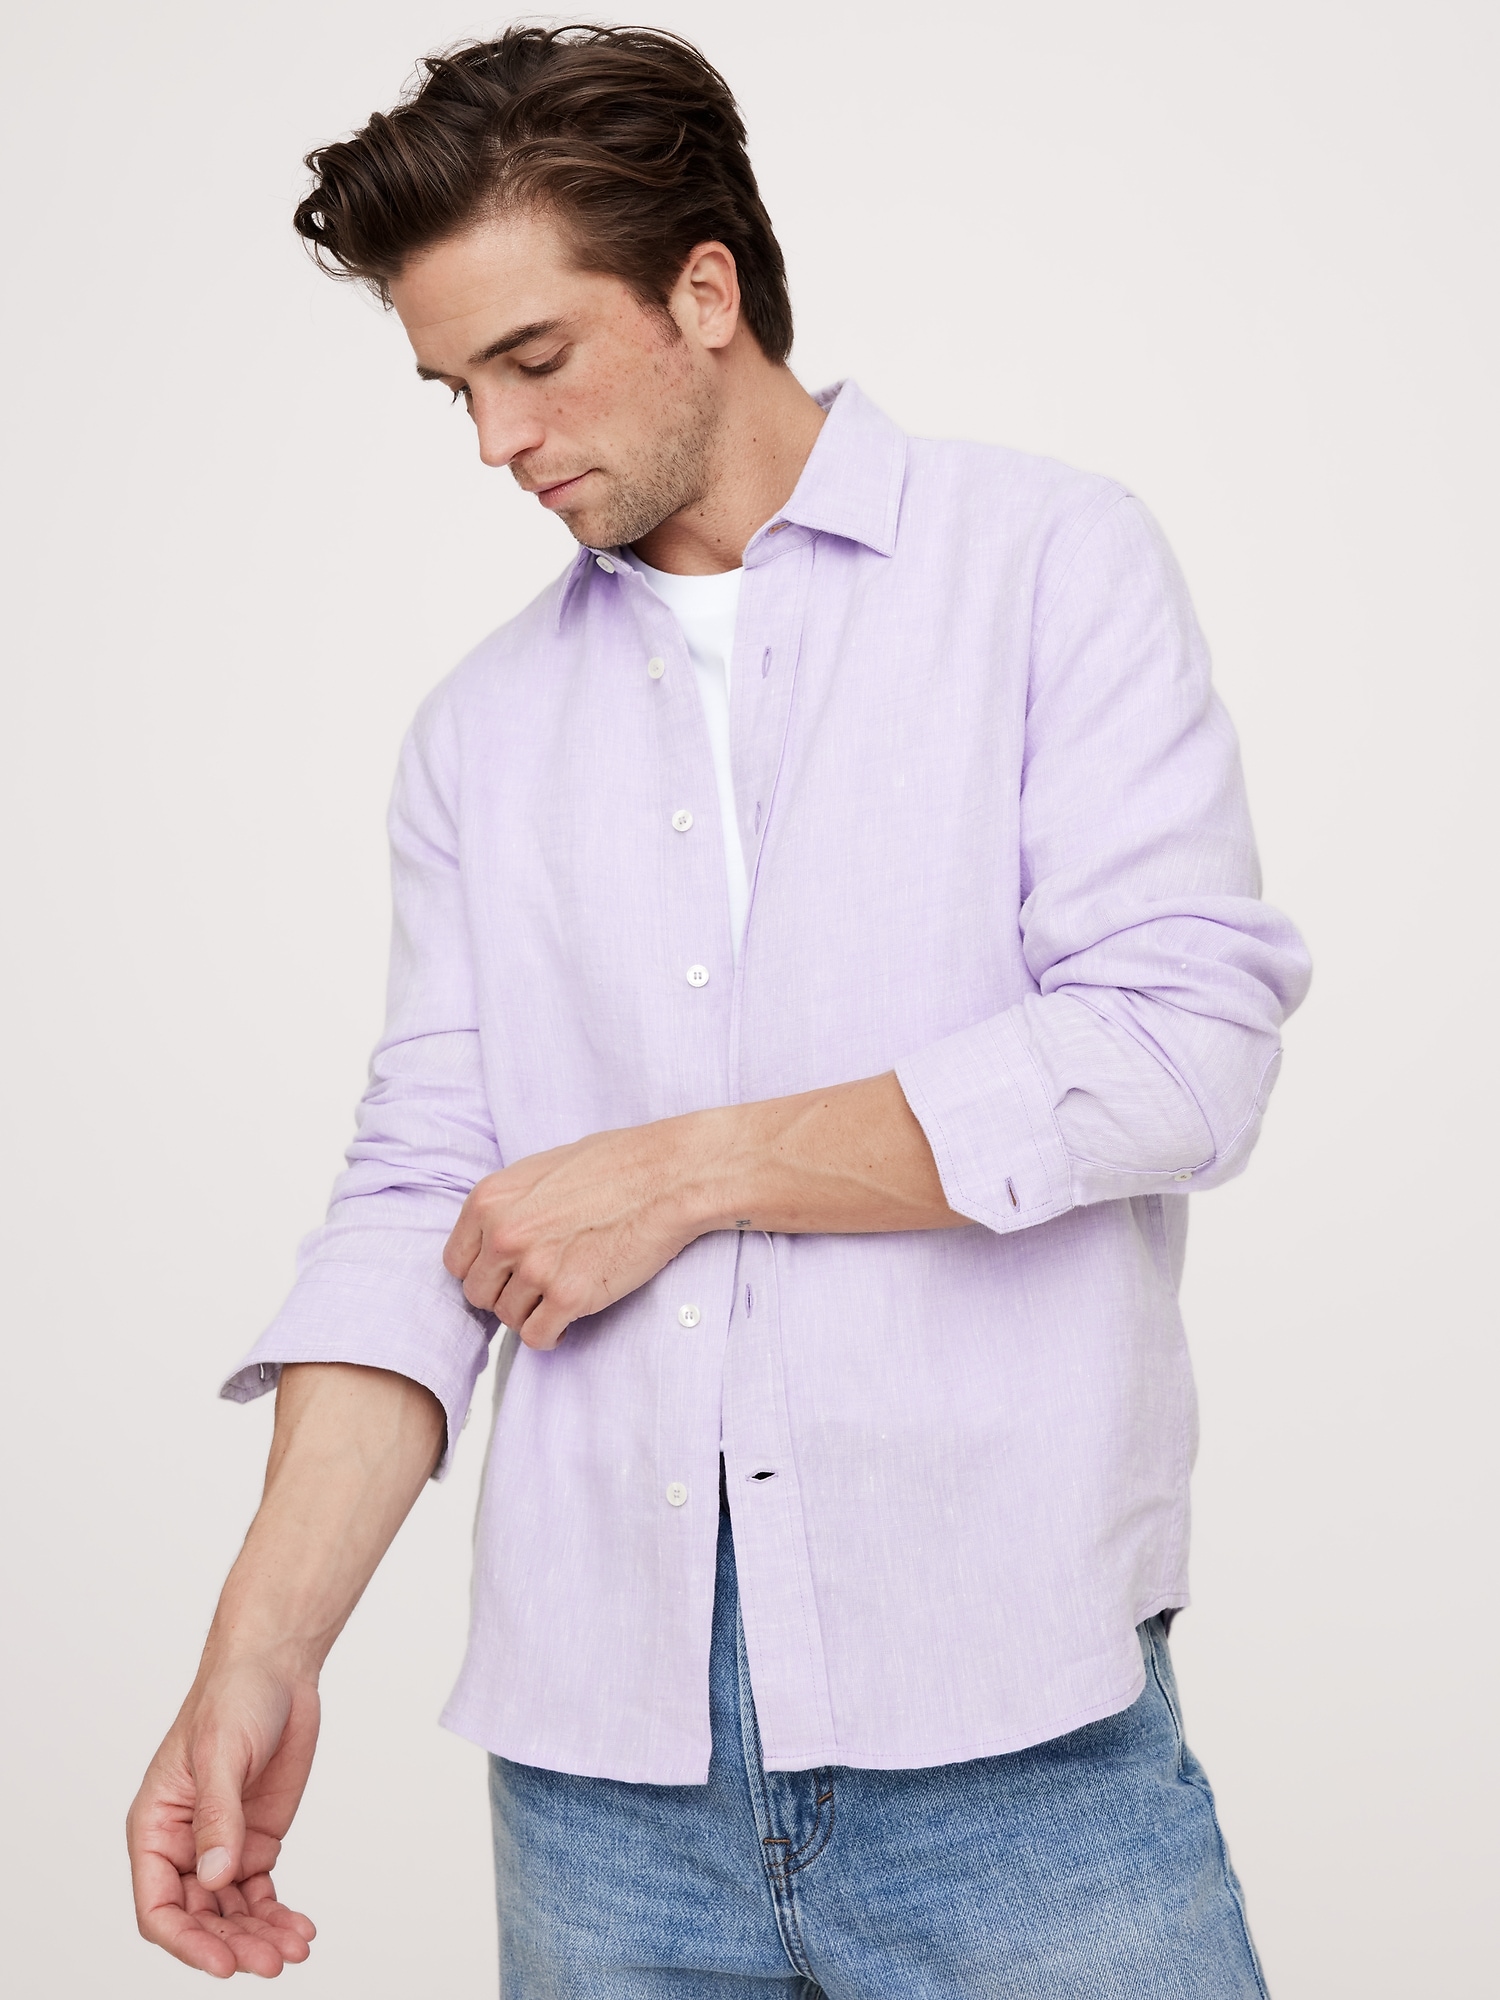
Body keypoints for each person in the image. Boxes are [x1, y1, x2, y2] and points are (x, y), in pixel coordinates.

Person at [126, 24, 1311, 1995]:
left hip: (1013, 1739)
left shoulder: (1044, 566)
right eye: (455, 388)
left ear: (704, 292)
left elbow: (1179, 1048)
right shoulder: (479, 735)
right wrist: (257, 1654)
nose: (496, 441)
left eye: (533, 359)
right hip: (602, 1785)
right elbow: (422, 1199)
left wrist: (679, 1174)